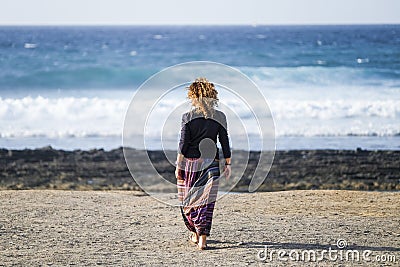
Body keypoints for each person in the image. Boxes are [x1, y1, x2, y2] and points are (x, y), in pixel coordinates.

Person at [175, 77, 231, 250]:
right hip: (212, 164)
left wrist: (178, 165)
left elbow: (183, 143)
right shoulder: (220, 116)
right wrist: (227, 163)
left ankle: (195, 233)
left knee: (189, 202)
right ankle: (202, 239)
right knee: (207, 202)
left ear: (193, 96)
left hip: (192, 164)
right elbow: (224, 141)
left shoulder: (188, 117)